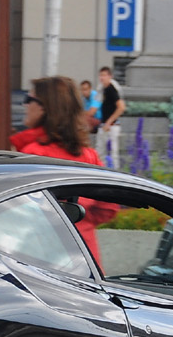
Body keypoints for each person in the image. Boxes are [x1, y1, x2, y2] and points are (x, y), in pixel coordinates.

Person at [11, 76, 116, 264]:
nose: (25, 105)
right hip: (84, 258)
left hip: (38, 260)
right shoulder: (89, 155)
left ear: (45, 107)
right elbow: (108, 206)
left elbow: (14, 212)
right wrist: (79, 221)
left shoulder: (31, 155)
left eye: (29, 100)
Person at [94, 66, 125, 164]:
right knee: (100, 152)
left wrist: (109, 122)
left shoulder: (112, 89)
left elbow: (121, 107)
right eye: (100, 75)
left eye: (104, 75)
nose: (102, 78)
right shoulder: (103, 90)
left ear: (110, 76)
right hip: (104, 124)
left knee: (112, 153)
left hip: (111, 126)